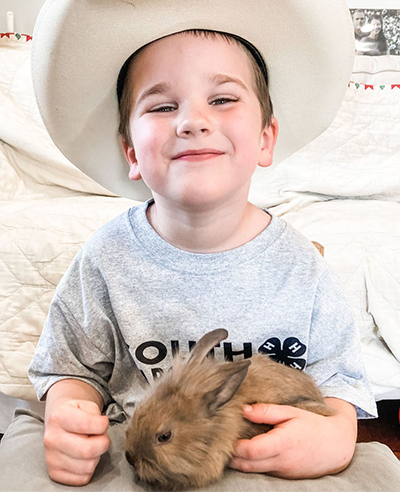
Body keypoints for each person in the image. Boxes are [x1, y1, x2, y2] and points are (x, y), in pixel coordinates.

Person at [1, 1, 400, 491]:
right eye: (163, 106)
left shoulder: (303, 269)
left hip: (267, 461)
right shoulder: (107, 259)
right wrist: (69, 414)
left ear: (265, 139)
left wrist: (336, 434)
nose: (192, 121)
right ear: (131, 152)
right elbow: (67, 367)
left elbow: (339, 384)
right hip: (142, 457)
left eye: (223, 100)